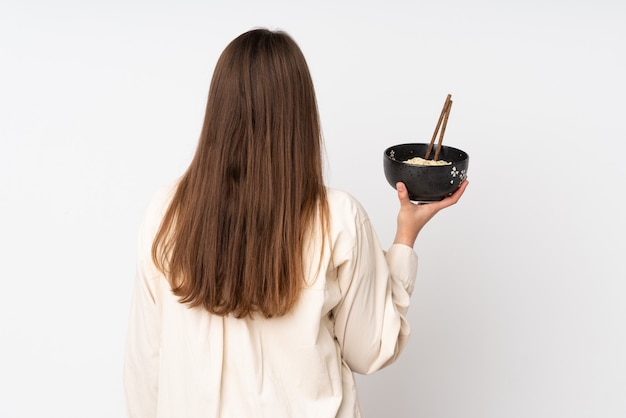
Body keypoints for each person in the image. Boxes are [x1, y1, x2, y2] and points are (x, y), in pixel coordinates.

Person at [124, 28, 468, 418]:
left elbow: (145, 368)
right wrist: (405, 239)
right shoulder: (340, 218)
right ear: (300, 115)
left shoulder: (165, 213)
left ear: (218, 110)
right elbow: (369, 349)